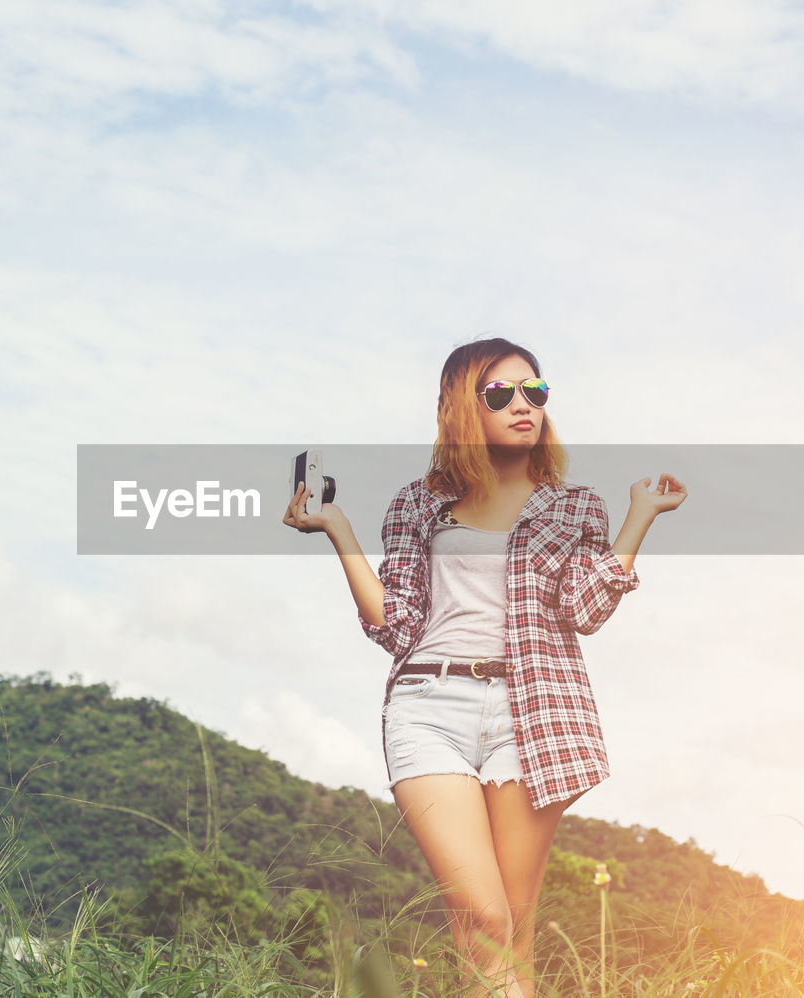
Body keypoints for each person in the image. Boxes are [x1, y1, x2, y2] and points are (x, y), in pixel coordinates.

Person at [282, 337, 686, 998]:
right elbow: (397, 624)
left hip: (531, 716)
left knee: (510, 934)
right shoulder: (419, 504)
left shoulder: (574, 505)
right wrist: (339, 531)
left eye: (535, 390)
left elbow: (584, 610)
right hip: (429, 707)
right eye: (500, 394)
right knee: (484, 916)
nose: (523, 405)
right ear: (463, 408)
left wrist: (639, 519)